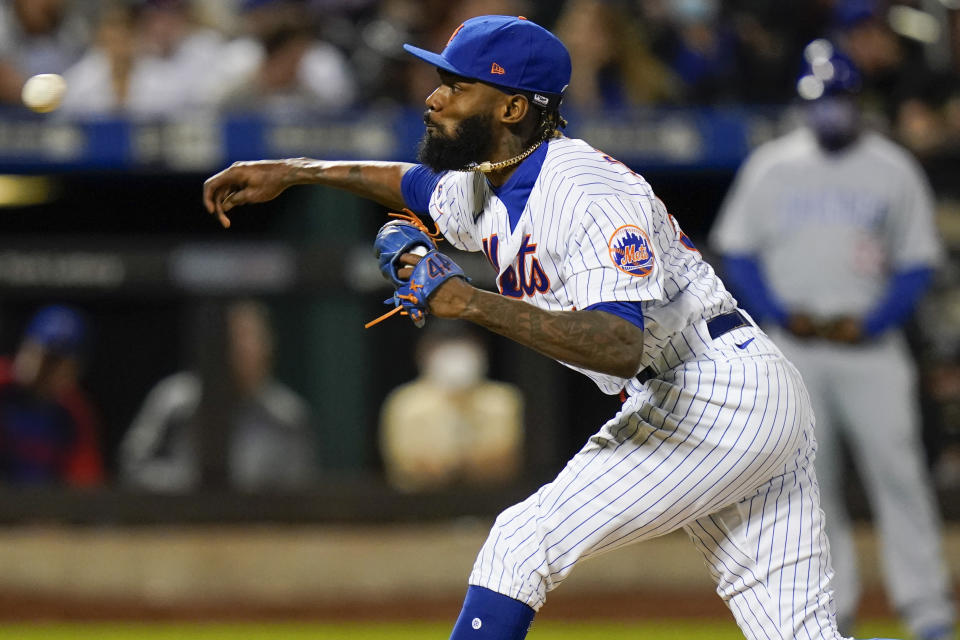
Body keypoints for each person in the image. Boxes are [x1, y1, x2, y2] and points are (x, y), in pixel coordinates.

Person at [203, 15, 891, 640]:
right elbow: (410, 185)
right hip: (729, 387)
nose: (433, 98)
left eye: (457, 87)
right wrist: (294, 172)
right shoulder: (491, 184)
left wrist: (467, 302)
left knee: (521, 541)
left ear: (511, 107)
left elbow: (618, 347)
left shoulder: (584, 191)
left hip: (712, 390)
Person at [710, 40, 956, 640]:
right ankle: (826, 610)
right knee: (807, 488)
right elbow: (737, 253)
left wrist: (872, 321)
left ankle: (926, 609)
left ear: (857, 101)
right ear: (802, 102)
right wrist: (776, 314)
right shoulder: (771, 165)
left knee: (899, 476)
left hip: (871, 348)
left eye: (840, 100)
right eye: (820, 101)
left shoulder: (892, 166)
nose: (831, 113)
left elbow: (918, 261)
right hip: (794, 350)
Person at [120, 299, 318, 493]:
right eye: (240, 338)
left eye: (257, 338)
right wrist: (189, 484)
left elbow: (299, 490)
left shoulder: (288, 415)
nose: (249, 349)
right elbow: (131, 467)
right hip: (180, 519)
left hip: (258, 522)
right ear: (218, 344)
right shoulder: (175, 398)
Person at [379, 321, 523, 492]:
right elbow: (405, 467)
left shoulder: (503, 400)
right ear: (424, 353)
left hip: (493, 500)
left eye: (463, 345)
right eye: (444, 347)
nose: (454, 356)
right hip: (423, 503)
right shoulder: (405, 403)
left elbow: (506, 461)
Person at [0, 305, 103, 487]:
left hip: (42, 510)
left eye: (55, 361)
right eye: (39, 353)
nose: (42, 366)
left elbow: (85, 482)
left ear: (74, 369)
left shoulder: (73, 412)